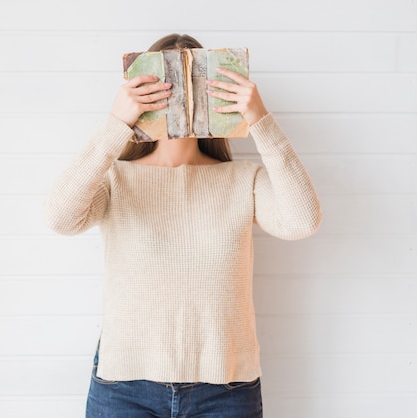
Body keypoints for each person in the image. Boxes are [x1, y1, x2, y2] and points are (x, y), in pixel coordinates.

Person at [43, 33, 322, 418]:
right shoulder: (116, 179)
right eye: (165, 85)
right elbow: (60, 218)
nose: (180, 96)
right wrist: (115, 125)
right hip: (125, 386)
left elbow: (302, 221)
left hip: (226, 388)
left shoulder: (243, 179)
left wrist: (260, 119)